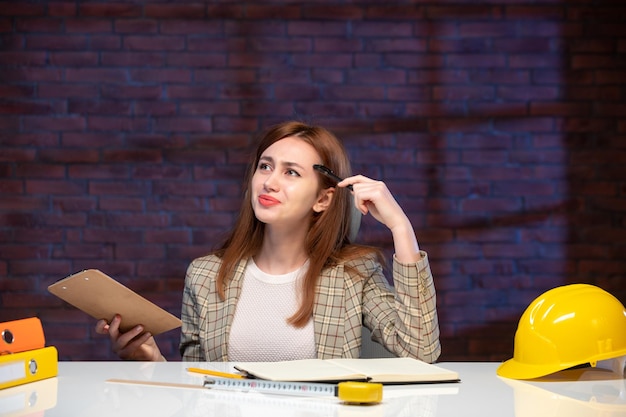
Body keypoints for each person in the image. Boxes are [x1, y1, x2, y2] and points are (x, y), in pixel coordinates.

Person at [96, 120, 441, 363]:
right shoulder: (204, 275)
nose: (270, 182)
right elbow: (196, 390)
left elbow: (421, 350)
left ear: (323, 199)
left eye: (291, 172)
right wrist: (150, 358)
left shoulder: (355, 273)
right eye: (265, 167)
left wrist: (400, 226)